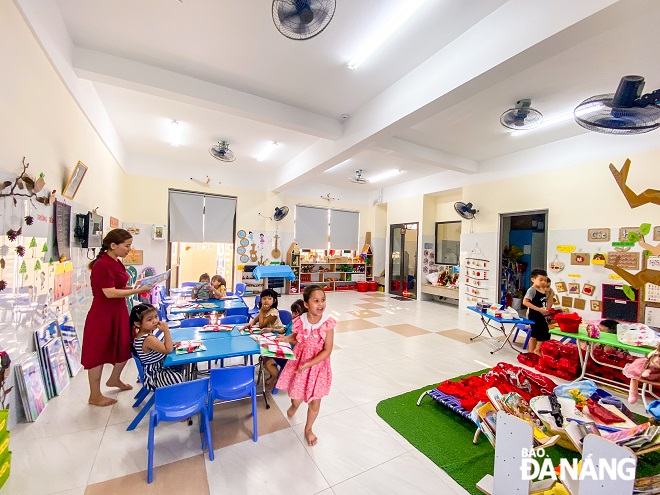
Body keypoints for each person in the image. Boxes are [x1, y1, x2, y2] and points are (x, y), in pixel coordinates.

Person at [81, 229, 154, 407]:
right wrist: (137, 291)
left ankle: (114, 379)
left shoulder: (116, 262)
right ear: (113, 245)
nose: (129, 249)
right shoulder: (102, 265)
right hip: (103, 315)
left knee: (124, 347)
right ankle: (95, 395)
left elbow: (118, 285)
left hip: (119, 311)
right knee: (98, 353)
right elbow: (109, 292)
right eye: (127, 246)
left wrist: (136, 285)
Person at [276, 285, 335, 446]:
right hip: (299, 363)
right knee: (296, 397)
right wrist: (285, 339)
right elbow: (296, 337)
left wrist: (310, 363)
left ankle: (308, 429)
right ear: (306, 304)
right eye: (316, 301)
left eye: (323, 300)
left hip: (317, 367)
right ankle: (294, 406)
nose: (320, 304)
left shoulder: (327, 323)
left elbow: (327, 350)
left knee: (315, 401)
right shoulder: (300, 321)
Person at [131, 303, 183, 389]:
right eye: (149, 319)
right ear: (137, 324)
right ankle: (176, 397)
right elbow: (168, 350)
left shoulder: (141, 335)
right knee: (177, 377)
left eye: (156, 317)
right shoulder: (148, 338)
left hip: (155, 369)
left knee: (181, 363)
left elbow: (158, 348)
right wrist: (166, 330)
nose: (155, 321)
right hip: (155, 374)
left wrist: (168, 345)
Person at [264, 298, 305, 388]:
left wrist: (286, 339)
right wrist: (271, 330)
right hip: (283, 347)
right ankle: (276, 376)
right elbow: (284, 329)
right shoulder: (293, 321)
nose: (293, 315)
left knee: (267, 362)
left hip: (291, 355)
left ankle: (279, 377)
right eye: (293, 313)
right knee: (265, 355)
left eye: (295, 313)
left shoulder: (302, 326)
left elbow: (299, 343)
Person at [522, 269, 550, 356]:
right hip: (535, 315)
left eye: (545, 280)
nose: (543, 282)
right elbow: (525, 302)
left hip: (541, 314)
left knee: (534, 334)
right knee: (544, 333)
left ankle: (531, 352)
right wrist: (539, 309)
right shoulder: (532, 290)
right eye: (541, 280)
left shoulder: (543, 290)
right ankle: (537, 350)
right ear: (533, 280)